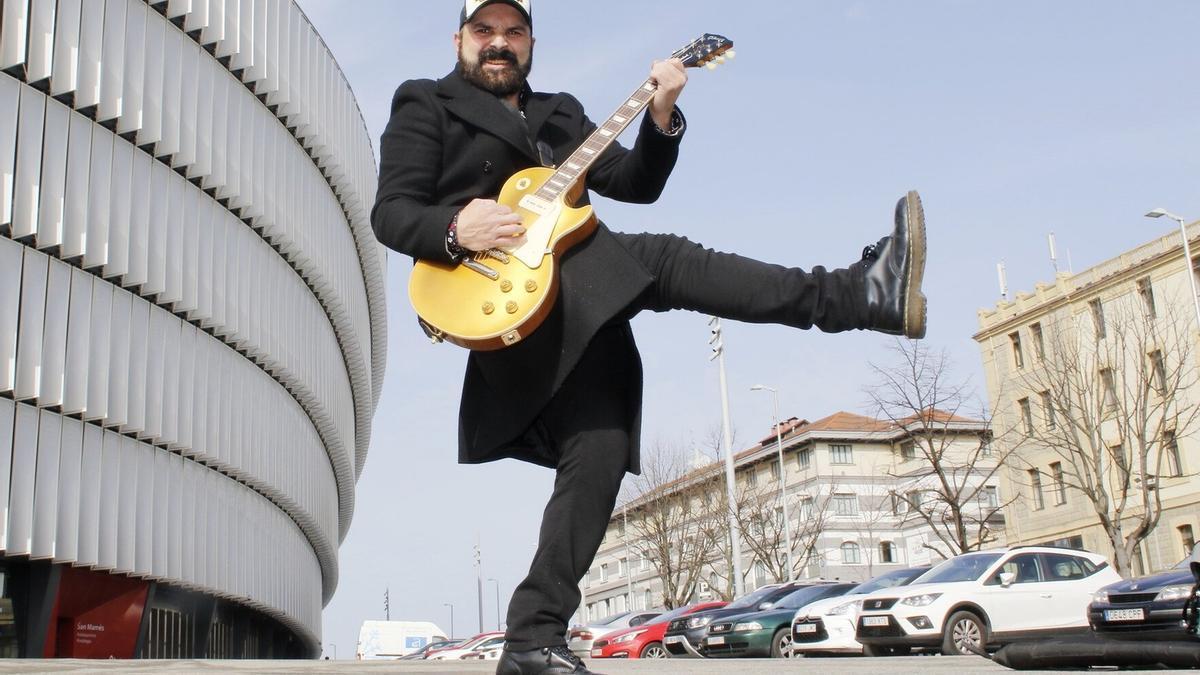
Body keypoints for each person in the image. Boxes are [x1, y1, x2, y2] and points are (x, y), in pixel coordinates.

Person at [370, 2, 927, 673]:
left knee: (600, 449)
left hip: (578, 292)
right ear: (460, 40)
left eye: (513, 32)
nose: (499, 44)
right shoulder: (425, 104)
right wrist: (458, 228)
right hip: (499, 298)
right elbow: (392, 211)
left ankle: (531, 637)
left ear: (531, 42)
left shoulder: (561, 112)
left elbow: (636, 183)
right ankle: (860, 293)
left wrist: (661, 114)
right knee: (666, 259)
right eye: (484, 31)